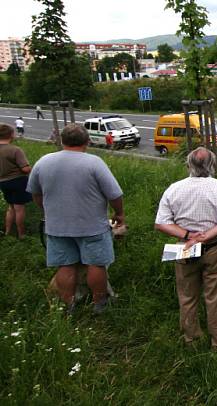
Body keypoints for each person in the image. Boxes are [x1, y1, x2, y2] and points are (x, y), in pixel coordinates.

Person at [26, 124, 125, 315]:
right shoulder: (94, 163)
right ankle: (99, 304)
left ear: (61, 140)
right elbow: (114, 194)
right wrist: (119, 214)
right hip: (92, 226)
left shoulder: (43, 162)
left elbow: (36, 194)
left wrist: (49, 211)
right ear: (87, 141)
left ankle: (68, 305)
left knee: (66, 265)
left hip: (57, 226)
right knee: (96, 264)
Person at [155, 147, 217, 349]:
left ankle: (191, 339)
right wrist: (204, 237)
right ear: (212, 165)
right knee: (216, 297)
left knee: (186, 296)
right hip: (215, 248)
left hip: (184, 249)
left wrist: (188, 236)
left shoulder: (174, 189)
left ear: (188, 165)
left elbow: (161, 223)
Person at [0, 124, 32, 238]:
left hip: (3, 182)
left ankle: (8, 232)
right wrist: (31, 169)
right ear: (11, 135)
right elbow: (25, 168)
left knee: (11, 207)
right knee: (19, 208)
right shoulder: (15, 150)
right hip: (18, 181)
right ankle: (21, 234)